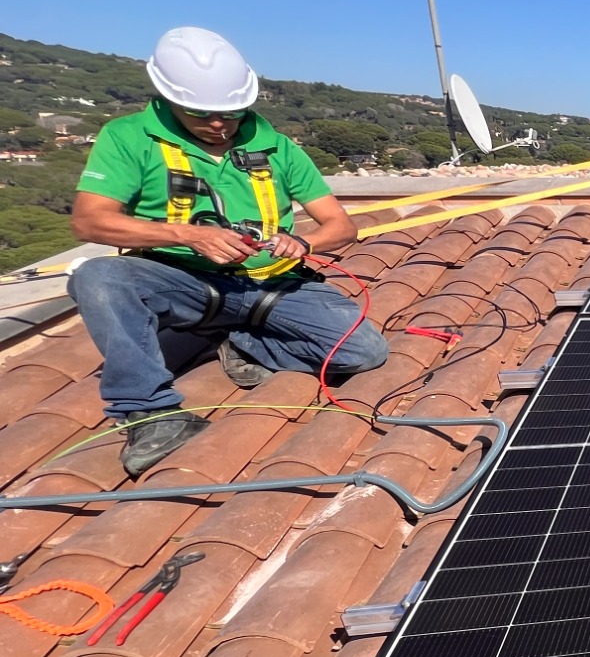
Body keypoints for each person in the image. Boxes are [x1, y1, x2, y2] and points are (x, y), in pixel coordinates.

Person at [67, 27, 388, 476]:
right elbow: (89, 221)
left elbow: (341, 226)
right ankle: (152, 414)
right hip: (186, 282)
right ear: (168, 97)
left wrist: (304, 243)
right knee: (98, 277)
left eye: (232, 113)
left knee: (363, 352)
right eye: (202, 113)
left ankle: (238, 342)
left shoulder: (276, 147)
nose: (219, 124)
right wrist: (188, 236)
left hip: (272, 285)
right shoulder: (129, 138)